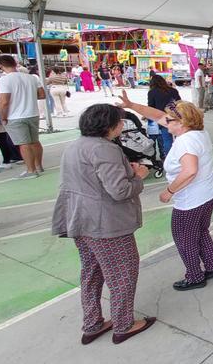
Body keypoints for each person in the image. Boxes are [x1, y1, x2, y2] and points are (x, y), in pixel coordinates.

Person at [51, 104, 155, 345]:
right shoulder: (104, 149)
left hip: (79, 219)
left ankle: (93, 323)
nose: (122, 125)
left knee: (92, 272)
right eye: (120, 121)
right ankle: (123, 325)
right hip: (105, 224)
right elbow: (120, 191)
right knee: (122, 273)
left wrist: (124, 171)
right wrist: (139, 176)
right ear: (109, 126)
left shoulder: (74, 146)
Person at [118, 92, 213, 290]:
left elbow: (190, 171)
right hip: (209, 192)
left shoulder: (186, 141)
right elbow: (157, 115)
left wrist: (169, 191)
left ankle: (194, 276)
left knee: (184, 237)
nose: (164, 122)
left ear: (181, 122)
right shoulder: (196, 131)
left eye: (169, 120)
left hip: (192, 199)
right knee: (200, 231)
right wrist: (132, 105)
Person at [0, 54, 44, 179]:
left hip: (15, 116)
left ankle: (31, 170)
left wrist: (3, 117)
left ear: (1, 66)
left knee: (24, 144)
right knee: (35, 141)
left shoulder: (4, 80)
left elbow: (4, 101)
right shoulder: (32, 78)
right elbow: (42, 95)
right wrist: (28, 97)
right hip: (33, 113)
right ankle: (38, 166)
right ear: (15, 63)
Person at [147, 74, 181, 160]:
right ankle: (181, 154)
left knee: (167, 139)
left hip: (162, 118)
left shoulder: (152, 92)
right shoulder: (173, 90)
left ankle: (170, 158)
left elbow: (151, 107)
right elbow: (180, 103)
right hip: (176, 115)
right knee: (179, 137)